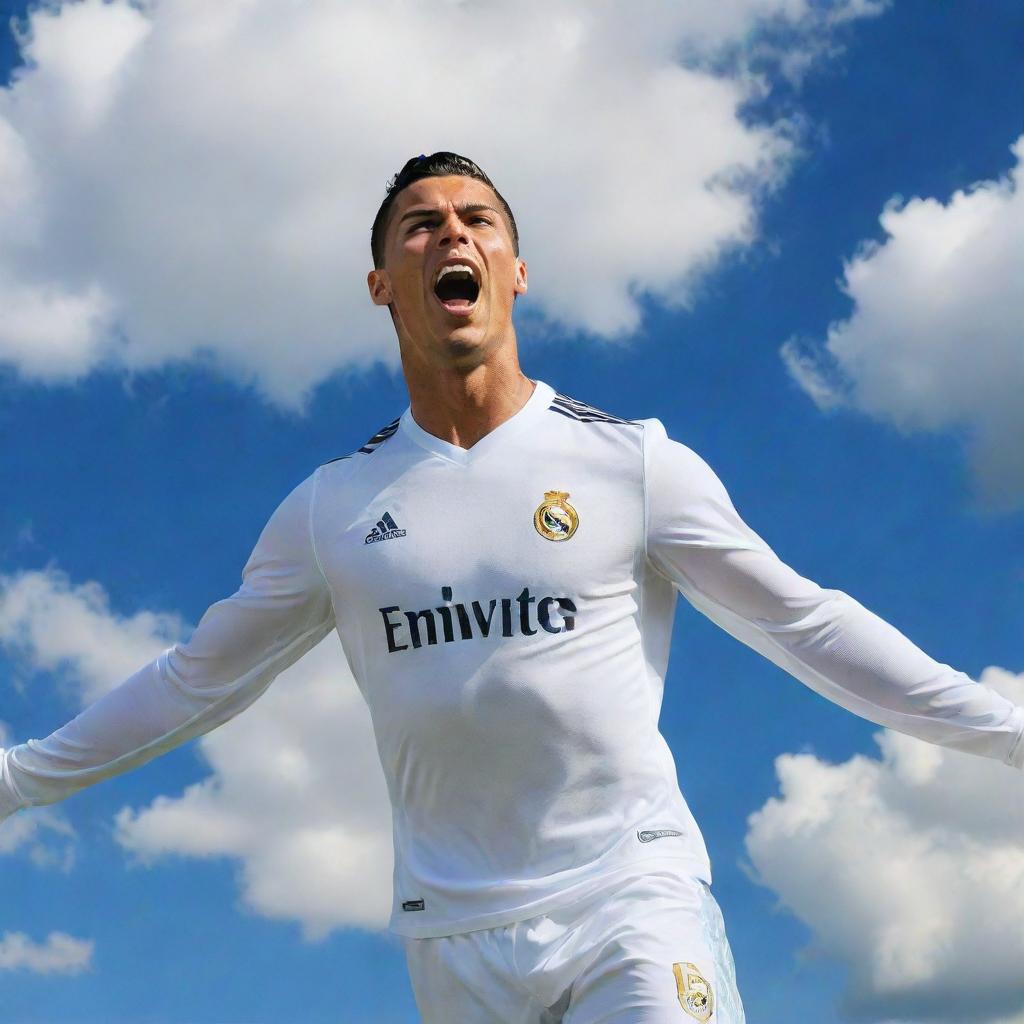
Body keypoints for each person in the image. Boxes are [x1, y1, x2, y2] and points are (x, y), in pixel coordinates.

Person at [1, 151, 1021, 1024]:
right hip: (452, 937)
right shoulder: (330, 509)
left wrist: (1008, 732)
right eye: (421, 224)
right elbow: (192, 681)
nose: (453, 233)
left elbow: (803, 622)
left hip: (631, 893)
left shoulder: (633, 464)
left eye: (476, 219)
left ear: (515, 269)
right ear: (379, 283)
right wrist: (15, 780)